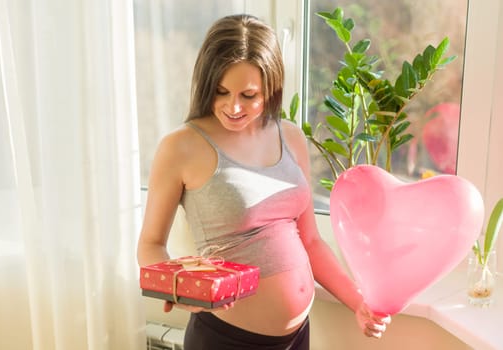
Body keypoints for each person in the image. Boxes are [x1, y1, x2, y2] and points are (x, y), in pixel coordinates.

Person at [137, 14, 391, 350]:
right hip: (225, 339)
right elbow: (150, 244)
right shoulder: (181, 147)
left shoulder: (290, 137)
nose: (233, 106)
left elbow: (311, 241)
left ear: (270, 88)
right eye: (221, 91)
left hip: (297, 337)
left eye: (249, 95)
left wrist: (357, 302)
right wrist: (180, 287)